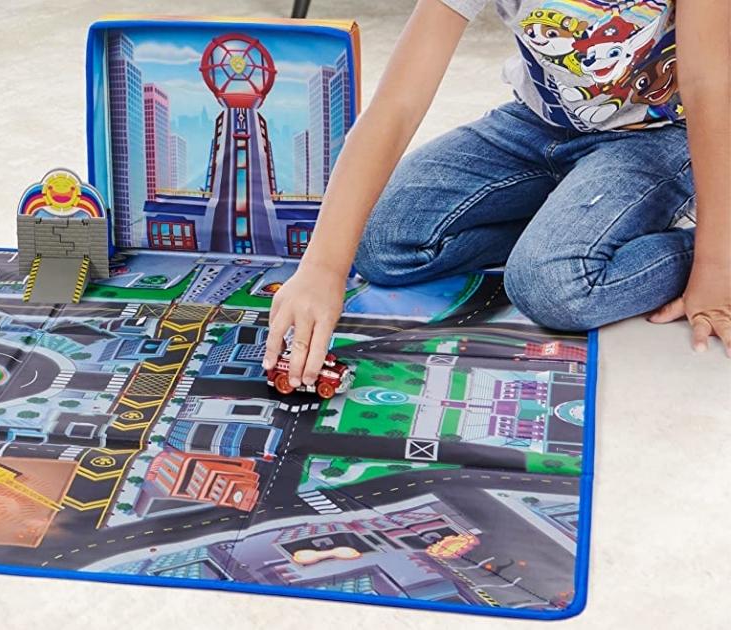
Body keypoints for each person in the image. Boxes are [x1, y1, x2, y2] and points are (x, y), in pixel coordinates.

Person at [263, 0, 729, 389]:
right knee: (380, 242)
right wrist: (323, 267)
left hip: (657, 136)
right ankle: (566, 220)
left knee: (552, 287)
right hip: (536, 125)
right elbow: (398, 102)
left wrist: (716, 264)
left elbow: (708, 85)